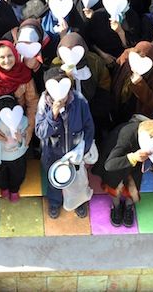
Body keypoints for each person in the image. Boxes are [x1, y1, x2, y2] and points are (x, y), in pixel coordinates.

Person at [36, 68, 95, 219]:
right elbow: (40, 132)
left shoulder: (79, 100)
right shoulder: (44, 103)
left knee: (78, 180)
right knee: (54, 180)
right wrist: (53, 115)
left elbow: (89, 127)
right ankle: (55, 202)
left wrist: (83, 149)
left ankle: (78, 201)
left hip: (75, 151)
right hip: (52, 153)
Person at [93, 116, 153, 227]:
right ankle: (116, 206)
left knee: (133, 189)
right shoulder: (125, 137)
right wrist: (133, 157)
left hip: (135, 167)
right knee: (114, 189)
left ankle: (129, 207)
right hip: (117, 165)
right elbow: (109, 165)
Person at [0, 41, 39, 147]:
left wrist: (29, 127)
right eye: (2, 57)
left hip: (21, 124)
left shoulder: (23, 73)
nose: (6, 60)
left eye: (10, 56)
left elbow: (32, 102)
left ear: (15, 55)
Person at [109, 41, 153, 124]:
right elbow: (115, 73)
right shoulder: (127, 56)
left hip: (136, 112)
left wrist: (140, 84)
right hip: (117, 103)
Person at [0, 95, 30, 202]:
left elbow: (27, 138)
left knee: (18, 175)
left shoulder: (23, 120)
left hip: (18, 156)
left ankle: (14, 190)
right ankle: (4, 188)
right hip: (2, 158)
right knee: (1, 176)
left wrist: (21, 140)